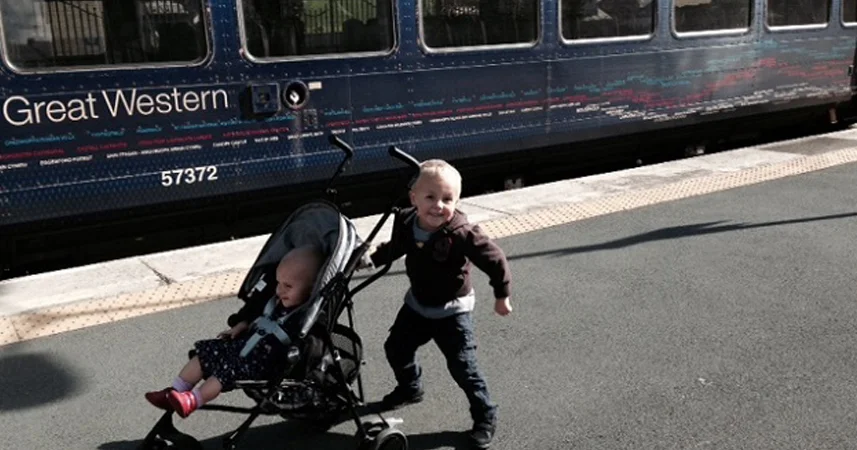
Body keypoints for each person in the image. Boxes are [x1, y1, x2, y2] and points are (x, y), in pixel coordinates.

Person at [366, 159, 512, 449]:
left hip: (452, 310)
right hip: (418, 305)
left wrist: (501, 294)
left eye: (448, 199)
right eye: (430, 197)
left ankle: (485, 415)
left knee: (463, 368)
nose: (438, 205)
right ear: (414, 198)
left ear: (457, 201)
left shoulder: (463, 233)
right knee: (396, 347)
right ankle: (411, 388)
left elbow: (496, 260)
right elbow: (396, 247)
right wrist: (372, 258)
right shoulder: (408, 221)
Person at [144, 245, 325, 418]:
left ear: (310, 289)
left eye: (288, 286)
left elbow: (312, 346)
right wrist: (242, 324)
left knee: (225, 370)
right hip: (245, 345)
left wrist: (294, 355)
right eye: (278, 283)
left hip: (264, 363)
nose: (280, 290)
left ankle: (193, 400)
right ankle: (175, 391)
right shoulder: (275, 300)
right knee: (205, 353)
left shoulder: (305, 317)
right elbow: (255, 314)